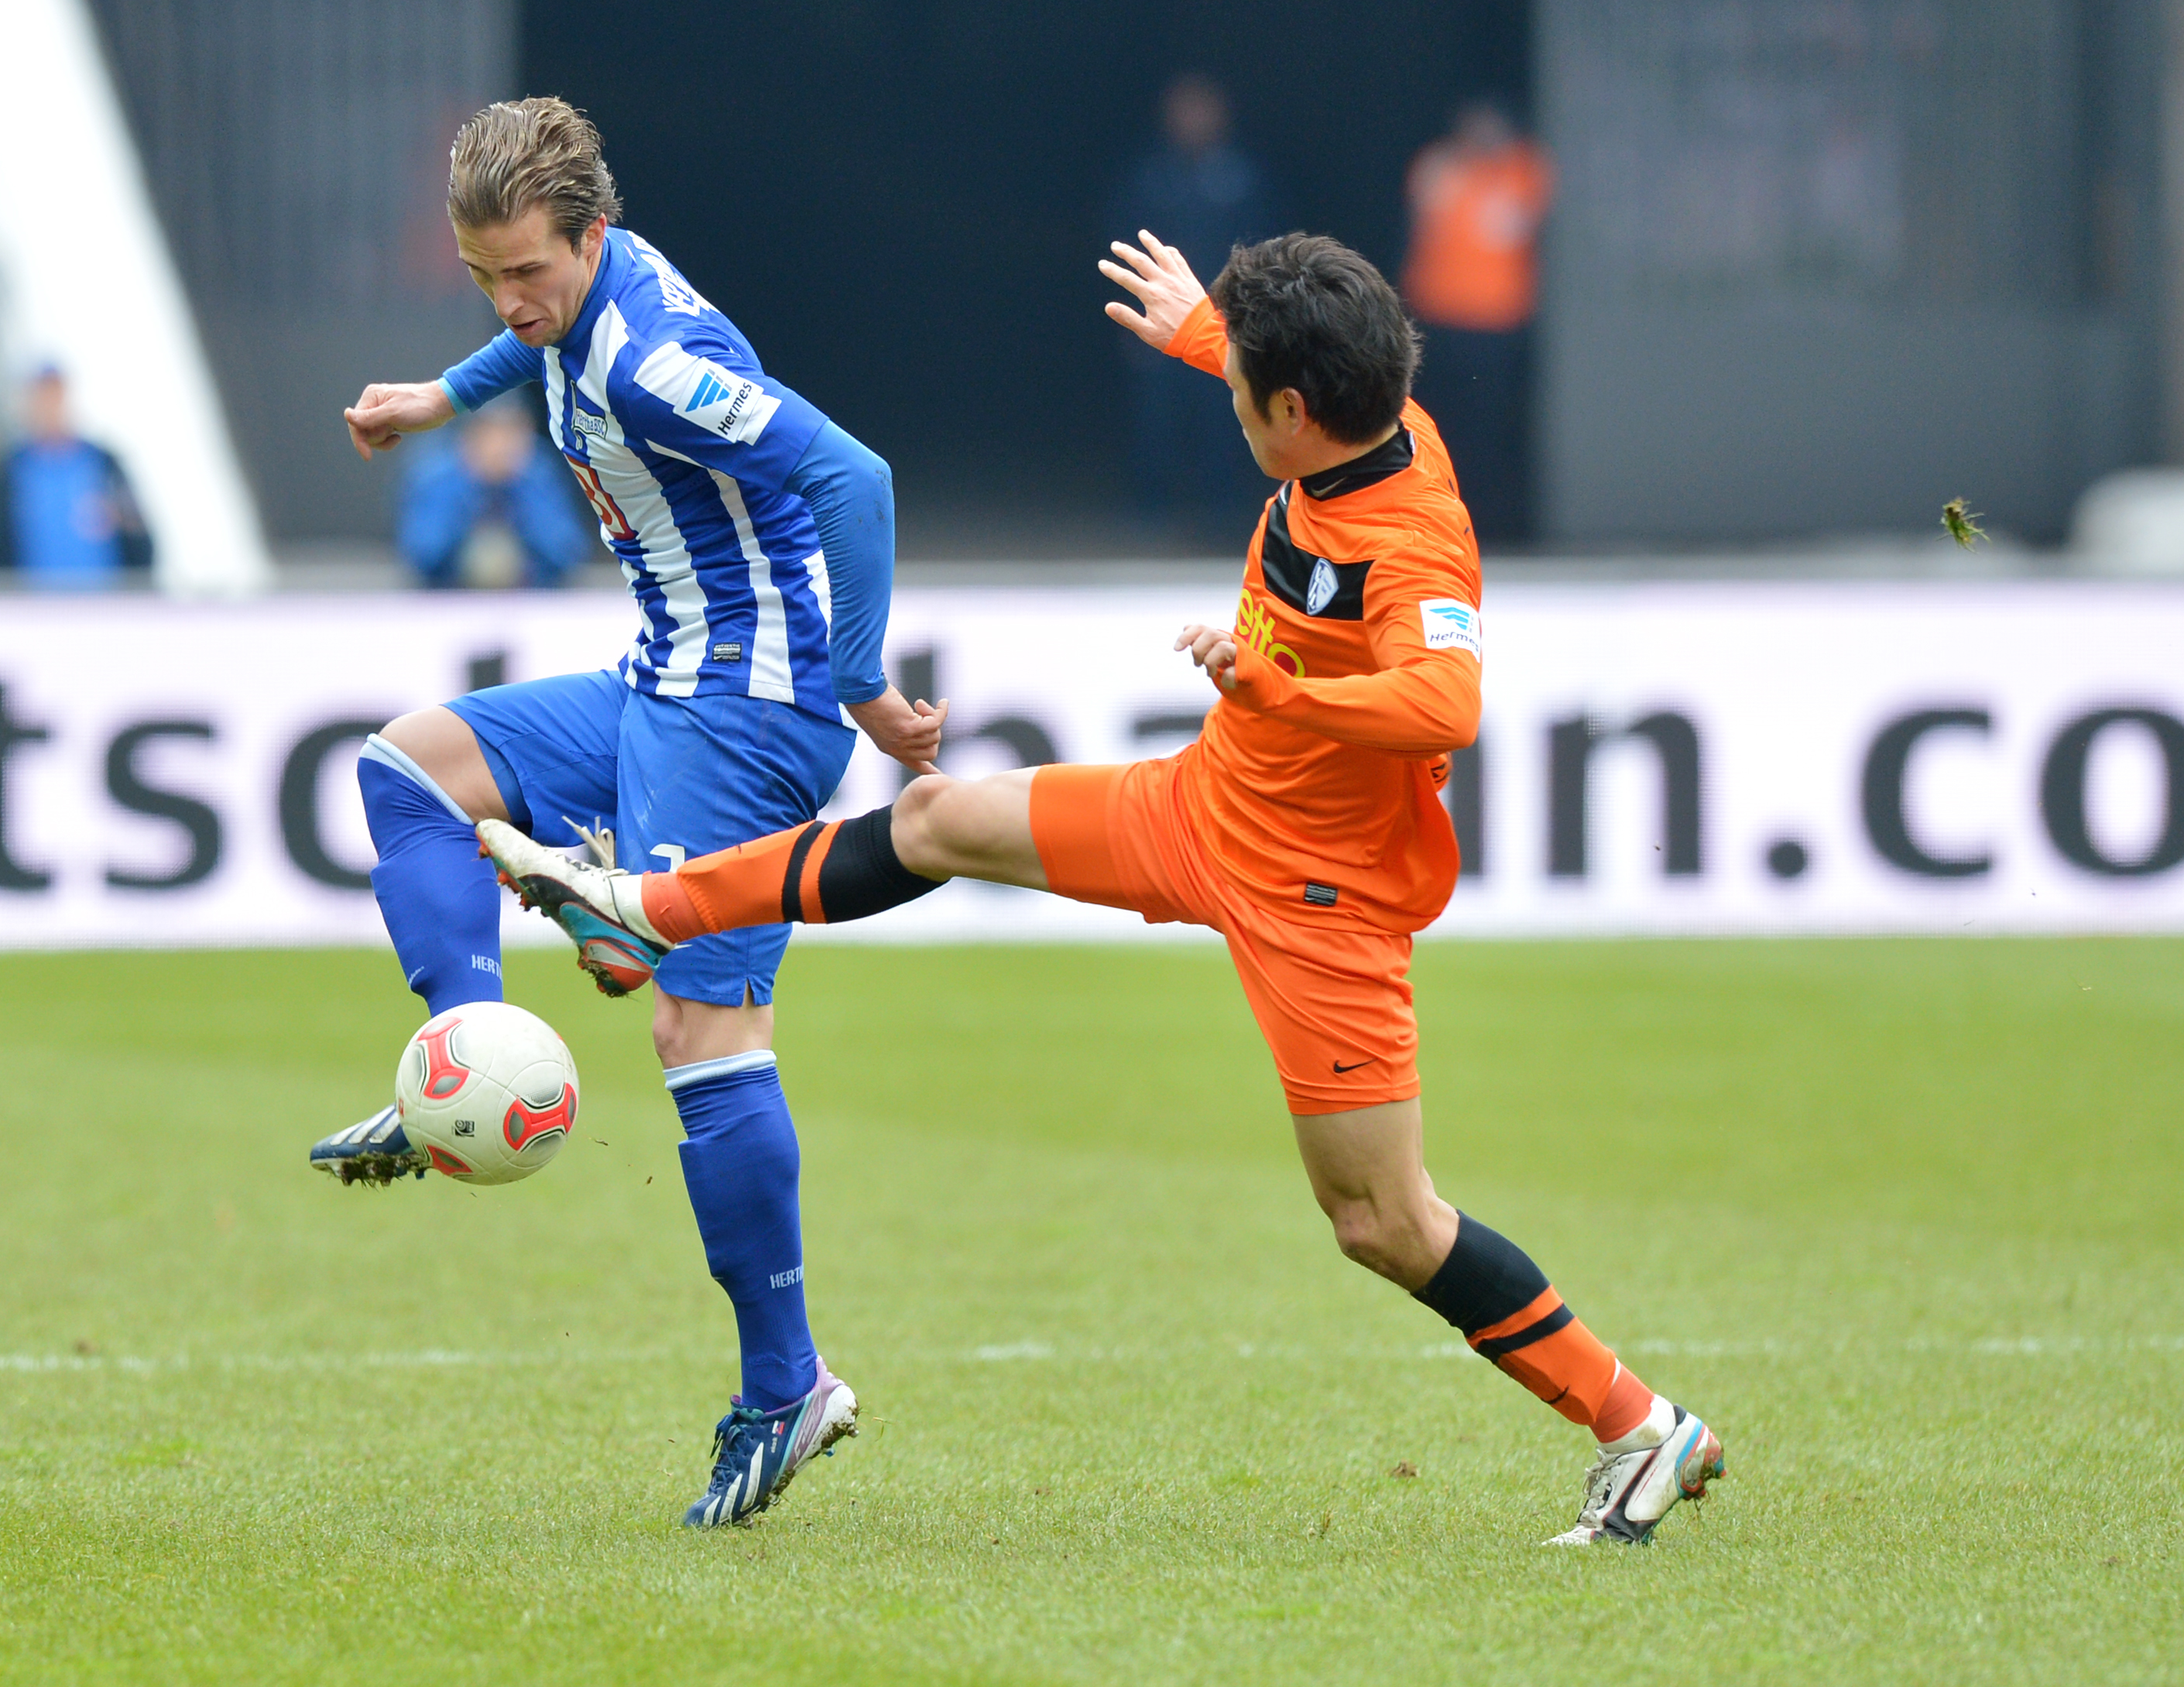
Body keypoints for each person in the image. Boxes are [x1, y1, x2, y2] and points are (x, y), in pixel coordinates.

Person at [473, 230, 1728, 1547]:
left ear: (1291, 413)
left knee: (1380, 1217)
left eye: (1233, 381)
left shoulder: (1411, 533)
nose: (1223, 392)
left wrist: (1281, 687)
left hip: (1319, 897)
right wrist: (1202, 323)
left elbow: (1446, 697)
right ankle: (648, 908)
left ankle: (1640, 1427)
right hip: (1201, 806)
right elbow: (1276, 380)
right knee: (938, 814)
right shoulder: (1353, 412)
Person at [308, 98, 946, 1528]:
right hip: (664, 677)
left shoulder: (657, 362)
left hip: (751, 702)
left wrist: (861, 688)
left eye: (526, 272)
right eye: (482, 278)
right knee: (410, 768)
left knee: (695, 1029)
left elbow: (856, 477)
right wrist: (441, 391)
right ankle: (465, 1042)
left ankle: (787, 1382)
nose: (509, 300)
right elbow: (540, 335)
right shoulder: (578, 292)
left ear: (589, 238)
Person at [1110, 74, 1284, 536]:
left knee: (1226, 413)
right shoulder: (1150, 176)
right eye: (1183, 110)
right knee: (1157, 418)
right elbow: (1123, 248)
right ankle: (1149, 512)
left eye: (1201, 109)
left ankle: (1222, 513)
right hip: (1160, 319)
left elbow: (1268, 249)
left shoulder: (1244, 176)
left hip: (1227, 321)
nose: (1192, 121)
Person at [1401, 101, 1554, 545]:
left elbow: (1523, 213)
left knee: (1493, 430)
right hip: (1440, 323)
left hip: (1497, 326)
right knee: (1440, 429)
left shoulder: (1521, 171)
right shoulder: (1439, 168)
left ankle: (1498, 526)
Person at [0, 364, 153, 587]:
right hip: (31, 613)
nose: (50, 406)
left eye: (55, 395)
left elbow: (140, 535)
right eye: (42, 397)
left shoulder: (104, 465)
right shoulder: (5, 475)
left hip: (104, 608)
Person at [394, 397, 596, 588]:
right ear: (468, 437)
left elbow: (567, 553)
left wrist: (516, 493)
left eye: (510, 434)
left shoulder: (539, 472)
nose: (500, 445)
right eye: (489, 433)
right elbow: (422, 555)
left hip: (532, 602)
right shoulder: (436, 475)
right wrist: (474, 492)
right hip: (448, 601)